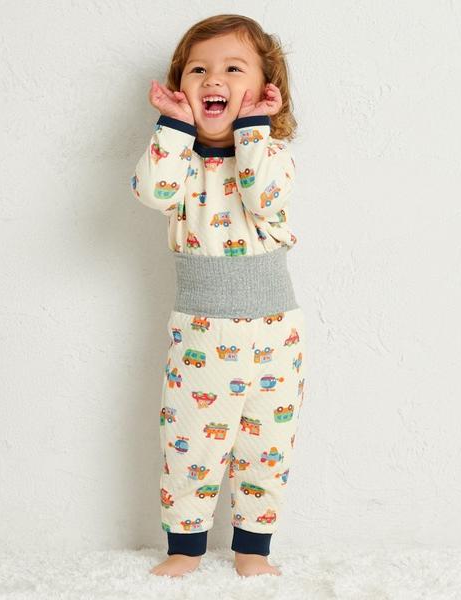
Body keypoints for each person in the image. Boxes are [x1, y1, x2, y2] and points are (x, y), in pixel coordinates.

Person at [130, 14, 307, 578]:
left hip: (276, 333)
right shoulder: (179, 163)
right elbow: (152, 192)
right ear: (180, 86)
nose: (213, 79)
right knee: (191, 443)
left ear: (266, 88)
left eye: (234, 69)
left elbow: (261, 195)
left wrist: (254, 127)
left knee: (266, 445)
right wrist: (173, 127)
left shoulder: (273, 155)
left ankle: (253, 550)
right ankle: (185, 547)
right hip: (202, 331)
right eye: (198, 70)